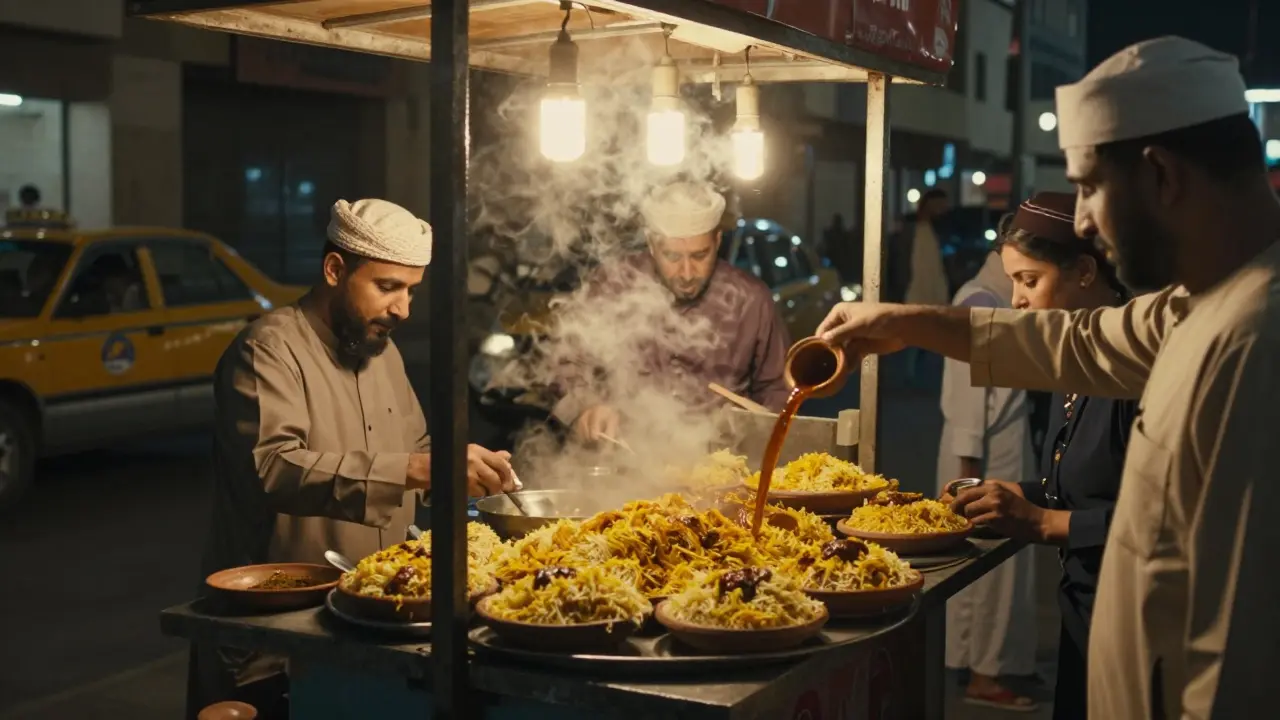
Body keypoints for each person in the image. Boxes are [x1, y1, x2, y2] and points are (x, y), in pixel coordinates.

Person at [815, 37, 1280, 720]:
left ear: (1163, 177)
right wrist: (905, 323)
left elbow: (1233, 648)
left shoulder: (1255, 339)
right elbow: (1078, 340)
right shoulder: (1200, 302)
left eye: (1091, 187)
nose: (1083, 219)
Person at [190, 198, 518, 717]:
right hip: (275, 639)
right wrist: (415, 470)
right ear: (335, 269)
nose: (403, 309)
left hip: (367, 627)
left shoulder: (379, 351)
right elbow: (272, 467)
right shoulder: (268, 349)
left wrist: (464, 468)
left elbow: (418, 453)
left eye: (411, 290)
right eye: (387, 287)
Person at [944, 191, 1134, 719]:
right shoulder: (1068, 365)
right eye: (1012, 283)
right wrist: (1016, 493)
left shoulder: (1133, 371)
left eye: (1030, 280)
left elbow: (1168, 524)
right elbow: (1073, 484)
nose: (1018, 300)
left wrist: (1044, 521)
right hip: (1081, 610)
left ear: (1084, 272)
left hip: (1131, 622)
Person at [558, 181, 791, 441]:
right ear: (651, 243)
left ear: (717, 240)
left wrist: (759, 435)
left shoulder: (750, 300)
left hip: (723, 463)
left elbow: (776, 388)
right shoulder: (611, 287)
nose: (687, 273)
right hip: (629, 457)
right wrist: (587, 405)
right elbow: (569, 362)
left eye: (700, 255)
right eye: (672, 256)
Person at [937, 248, 1040, 712]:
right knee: (992, 566)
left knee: (988, 566)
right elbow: (968, 399)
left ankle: (976, 662)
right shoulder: (983, 300)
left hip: (996, 449)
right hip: (984, 456)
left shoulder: (990, 295)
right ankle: (985, 673)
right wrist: (967, 473)